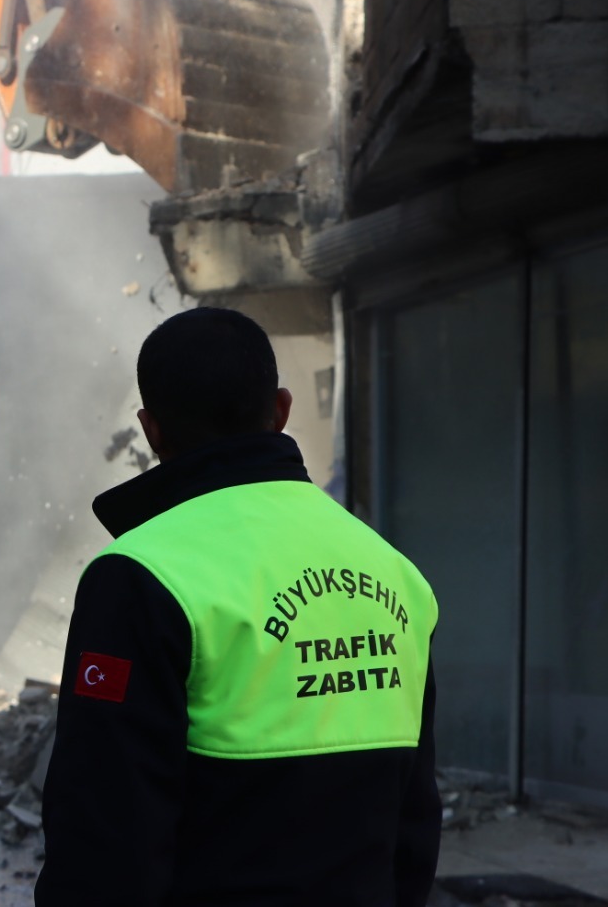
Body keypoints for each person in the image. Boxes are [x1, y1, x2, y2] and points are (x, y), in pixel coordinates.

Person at [36, 307, 440, 907]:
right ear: (280, 410)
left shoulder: (141, 574)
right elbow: (414, 820)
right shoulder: (395, 571)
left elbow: (105, 829)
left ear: (151, 430)